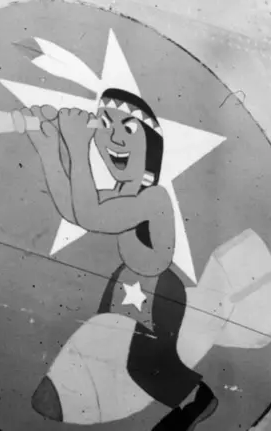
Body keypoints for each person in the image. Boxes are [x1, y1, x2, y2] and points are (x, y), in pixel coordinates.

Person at [25, 91, 218, 430]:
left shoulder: (152, 197)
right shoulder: (119, 192)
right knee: (108, 353)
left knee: (143, 365)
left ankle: (197, 399)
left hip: (159, 291)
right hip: (128, 280)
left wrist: (76, 144)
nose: (112, 138)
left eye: (128, 129)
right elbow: (72, 208)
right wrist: (48, 149)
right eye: (103, 125)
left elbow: (89, 213)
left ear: (151, 146)